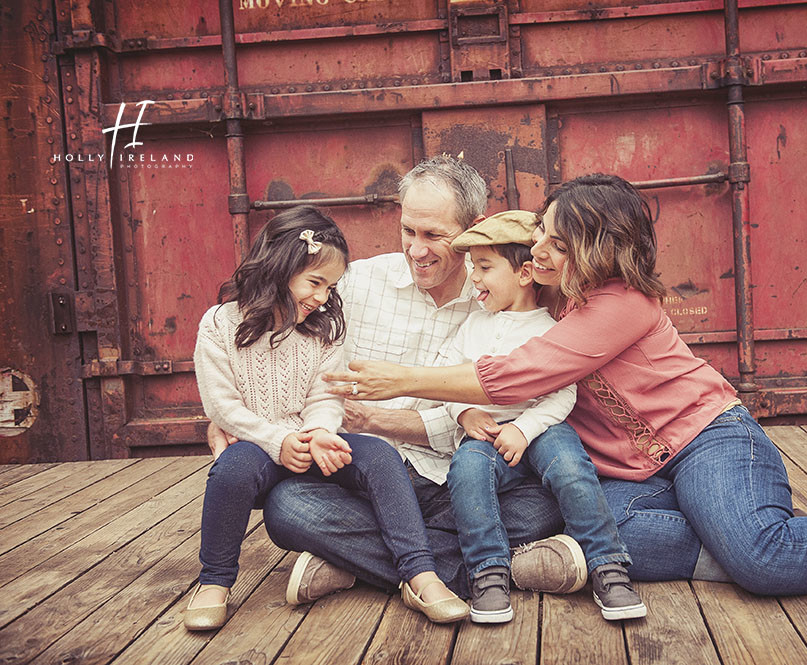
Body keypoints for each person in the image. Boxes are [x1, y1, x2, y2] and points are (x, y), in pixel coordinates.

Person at [329, 174, 807, 597]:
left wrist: (401, 381)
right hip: (633, 475)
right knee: (595, 525)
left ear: (593, 246)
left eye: (554, 240)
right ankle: (732, 538)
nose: (539, 250)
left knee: (761, 559)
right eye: (539, 239)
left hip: (709, 441)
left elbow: (520, 374)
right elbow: (501, 269)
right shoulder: (545, 301)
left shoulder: (620, 304)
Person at [214, 156, 586, 611]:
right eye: (409, 231)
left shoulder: (501, 290)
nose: (417, 249)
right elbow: (264, 337)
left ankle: (355, 563)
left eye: (434, 235)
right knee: (289, 509)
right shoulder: (354, 284)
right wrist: (227, 416)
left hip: (457, 480)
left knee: (544, 505)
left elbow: (506, 413)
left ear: (473, 228)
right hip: (364, 481)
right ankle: (480, 565)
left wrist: (383, 419)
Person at [188, 206, 468, 631]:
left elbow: (326, 394)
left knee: (376, 455)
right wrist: (277, 441)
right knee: (231, 469)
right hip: (258, 445)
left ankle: (420, 574)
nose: (322, 297)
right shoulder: (220, 324)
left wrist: (319, 432)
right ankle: (214, 581)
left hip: (314, 439)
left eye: (330, 286)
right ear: (280, 268)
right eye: (315, 283)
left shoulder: (323, 327)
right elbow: (223, 407)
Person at [442, 210, 645, 623]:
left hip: (542, 428)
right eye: (472, 268)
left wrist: (524, 427)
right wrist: (464, 413)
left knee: (571, 467)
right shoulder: (471, 327)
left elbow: (561, 394)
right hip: (487, 433)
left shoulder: (550, 327)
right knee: (466, 469)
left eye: (484, 267)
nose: (474, 278)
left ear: (523, 274)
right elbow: (445, 377)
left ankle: (608, 567)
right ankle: (488, 573)